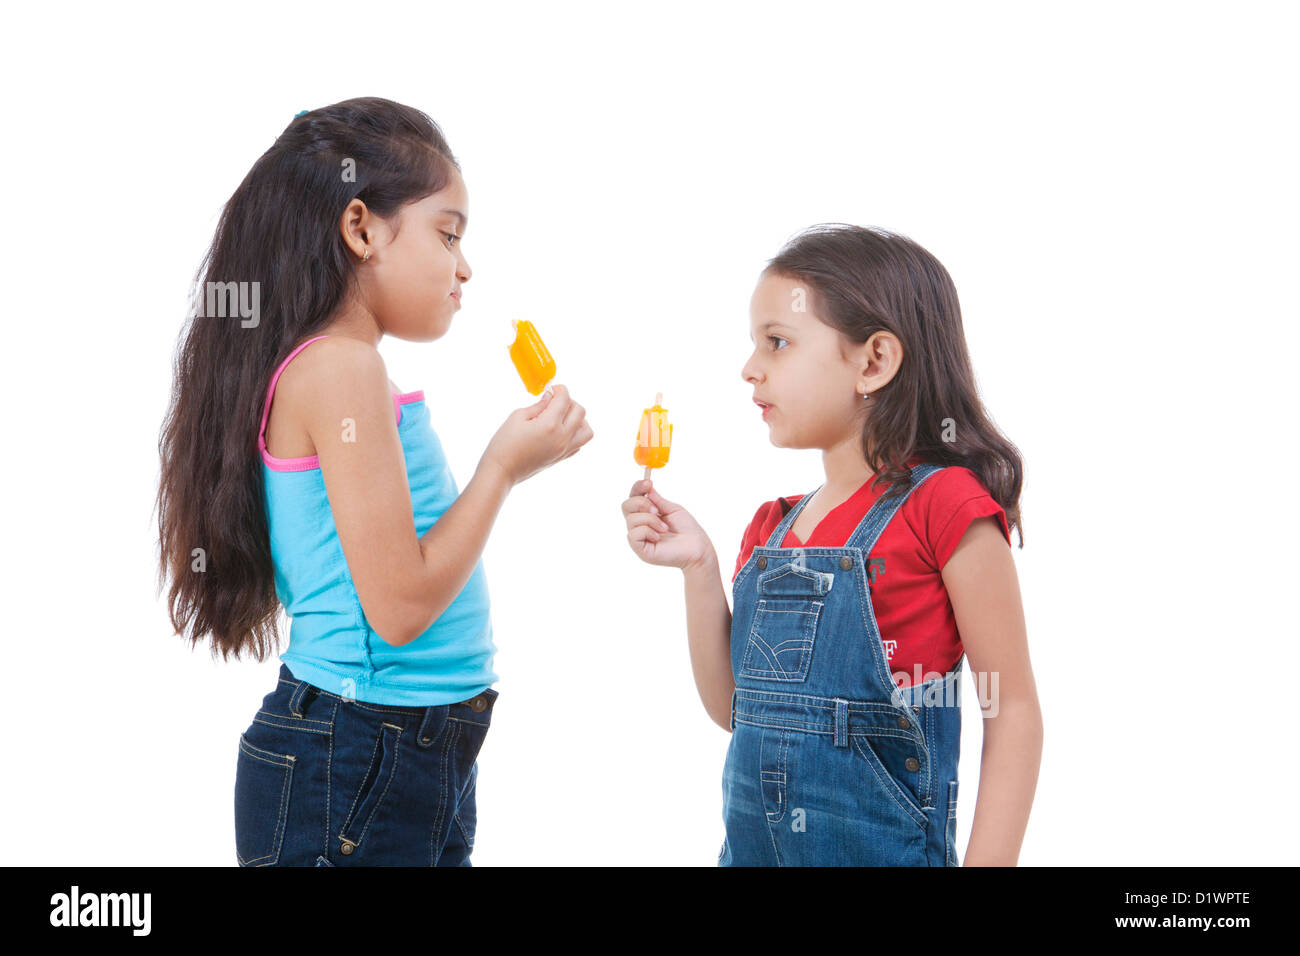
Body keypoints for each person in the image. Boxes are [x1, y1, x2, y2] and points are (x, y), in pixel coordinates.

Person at [155, 97, 592, 866]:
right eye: (448, 234)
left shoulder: (340, 369)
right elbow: (398, 607)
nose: (465, 267)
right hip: (359, 755)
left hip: (392, 750)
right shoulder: (342, 369)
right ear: (360, 228)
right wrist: (503, 468)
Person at [621, 224, 1040, 865]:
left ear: (874, 361)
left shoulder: (943, 506)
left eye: (778, 342)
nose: (749, 368)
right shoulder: (771, 531)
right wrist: (699, 569)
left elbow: (1009, 710)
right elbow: (735, 709)